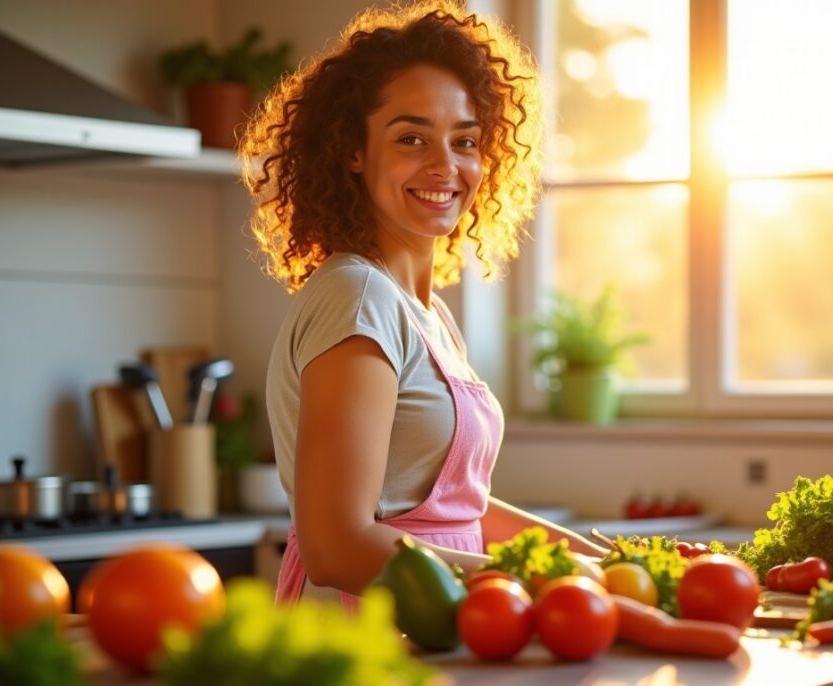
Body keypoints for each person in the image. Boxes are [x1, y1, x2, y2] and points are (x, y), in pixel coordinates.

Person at [240, 1, 606, 606]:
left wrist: (602, 562)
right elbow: (337, 547)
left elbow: (461, 514)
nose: (445, 165)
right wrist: (526, 582)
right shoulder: (357, 298)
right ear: (353, 150)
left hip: (444, 620)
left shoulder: (429, 314)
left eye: (465, 141)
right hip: (370, 626)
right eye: (412, 138)